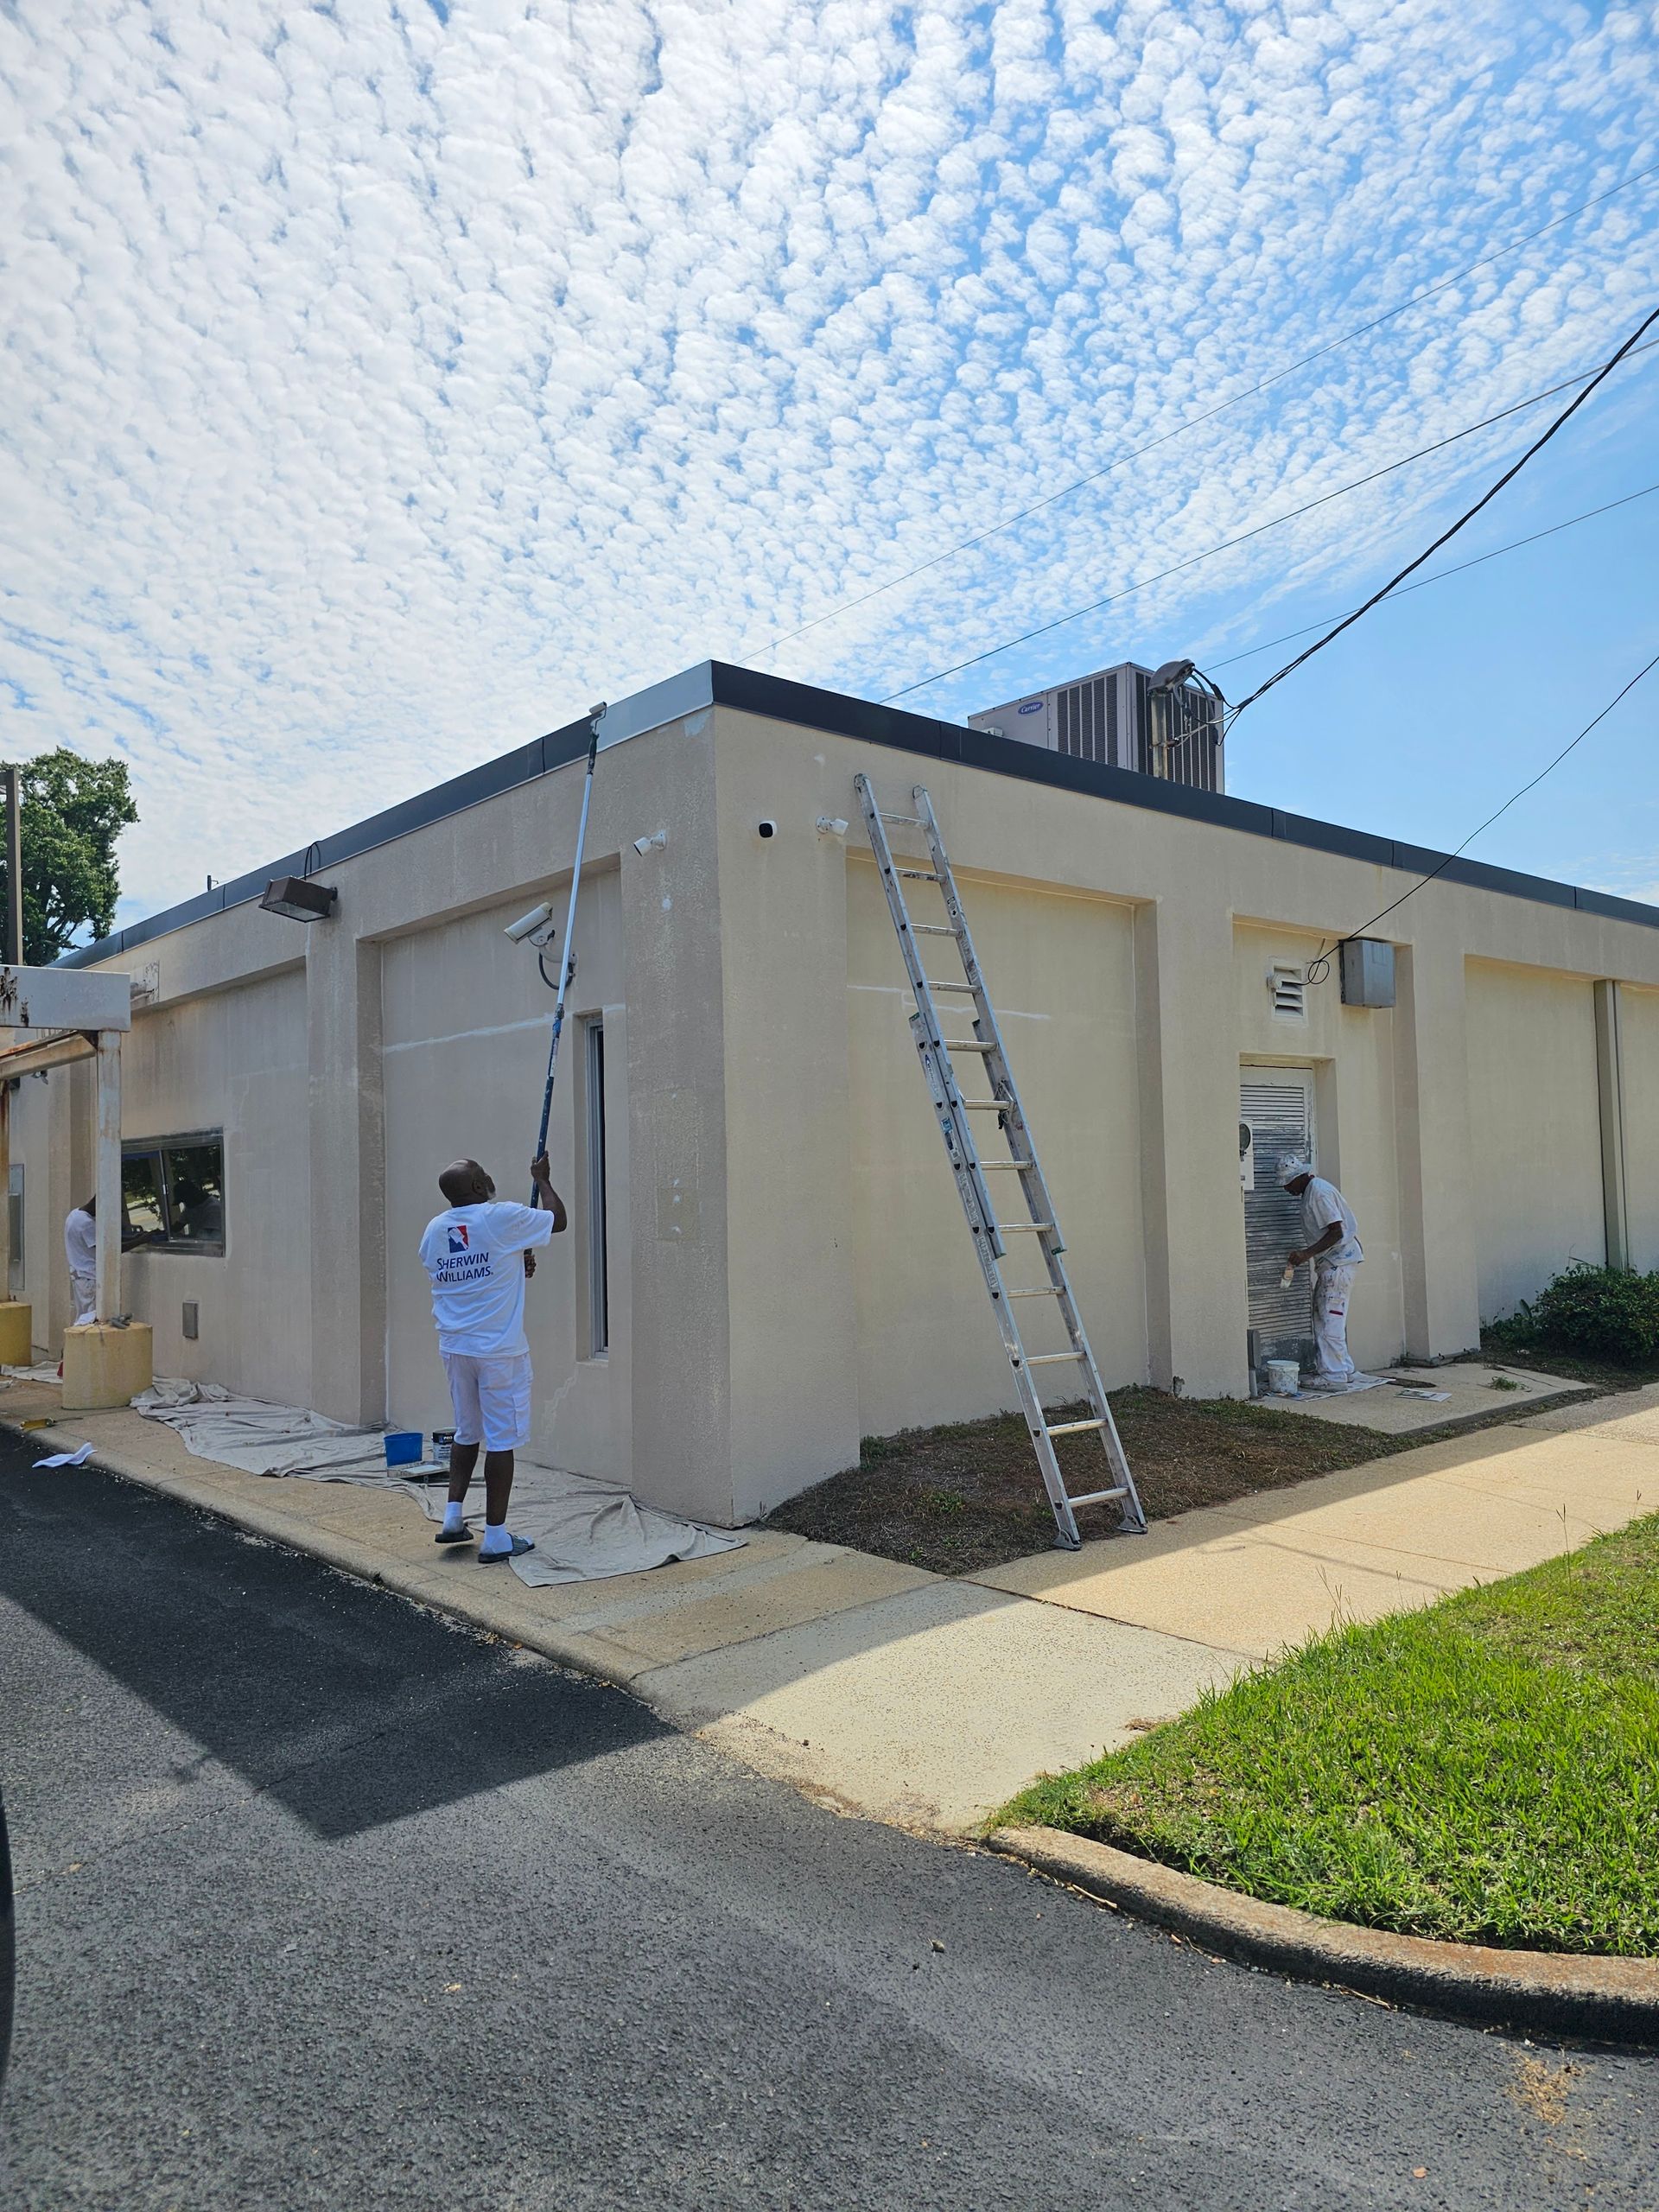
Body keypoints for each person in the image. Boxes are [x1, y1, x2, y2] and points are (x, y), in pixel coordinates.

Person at [419, 1152, 566, 1561]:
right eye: (484, 1174)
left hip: (456, 1348)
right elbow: (558, 1220)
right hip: (498, 1352)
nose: (489, 1177)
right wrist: (544, 1180)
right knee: (502, 1440)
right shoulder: (498, 1217)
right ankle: (496, 1537)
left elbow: (466, 1273)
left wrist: (514, 1262)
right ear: (480, 1187)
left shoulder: (434, 1230)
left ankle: (453, 1516)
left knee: (468, 1431)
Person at [1280, 1156, 1363, 1389]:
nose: (1286, 1189)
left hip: (1338, 1264)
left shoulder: (1318, 1193)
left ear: (1298, 1179)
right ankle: (1345, 1369)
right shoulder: (1314, 1190)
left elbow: (1336, 1232)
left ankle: (1333, 1376)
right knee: (1326, 1316)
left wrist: (1306, 1254)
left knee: (1329, 1320)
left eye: (1287, 1184)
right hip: (1335, 1263)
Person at [64, 1198, 97, 1327]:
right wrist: (140, 1240)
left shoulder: (75, 1214)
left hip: (80, 1276)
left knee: (83, 1316)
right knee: (91, 1319)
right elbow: (106, 1249)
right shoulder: (86, 1223)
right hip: (90, 1277)